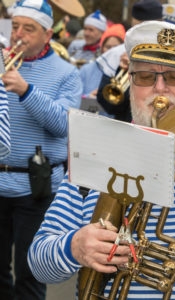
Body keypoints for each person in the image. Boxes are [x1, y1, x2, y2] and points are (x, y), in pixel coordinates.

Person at [27, 20, 175, 299]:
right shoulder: (95, 153)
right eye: (144, 76)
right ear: (130, 81)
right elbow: (38, 263)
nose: (159, 88)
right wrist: (74, 246)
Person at [0, 0, 82, 299]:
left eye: (29, 29)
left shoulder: (66, 72)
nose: (18, 34)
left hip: (35, 186)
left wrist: (26, 91)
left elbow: (65, 125)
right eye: (15, 26)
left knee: (29, 274)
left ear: (47, 35)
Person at [96, 0, 163, 122]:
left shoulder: (170, 54)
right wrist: (123, 74)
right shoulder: (118, 53)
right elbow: (108, 105)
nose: (140, 37)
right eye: (135, 29)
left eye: (146, 31)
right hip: (124, 127)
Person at [80, 23, 126, 99]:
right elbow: (74, 96)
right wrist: (88, 97)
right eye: (108, 47)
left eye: (116, 47)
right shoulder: (86, 70)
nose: (112, 51)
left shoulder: (127, 72)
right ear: (102, 48)